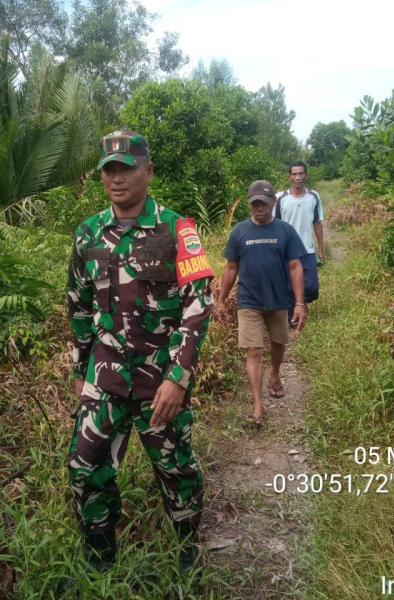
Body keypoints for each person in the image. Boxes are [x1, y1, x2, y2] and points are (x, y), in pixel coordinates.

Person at [66, 130, 214, 573]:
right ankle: (99, 550)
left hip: (160, 377)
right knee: (83, 464)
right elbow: (78, 302)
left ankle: (188, 541)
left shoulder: (177, 230)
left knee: (175, 467)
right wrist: (79, 366)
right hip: (105, 372)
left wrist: (178, 377)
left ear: (148, 170)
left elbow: (198, 305)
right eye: (109, 170)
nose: (117, 178)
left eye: (127, 168)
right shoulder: (88, 233)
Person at [213, 180, 307, 425]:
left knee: (278, 344)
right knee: (254, 351)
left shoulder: (285, 231)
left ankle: (274, 374)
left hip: (278, 301)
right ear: (249, 205)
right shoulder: (240, 231)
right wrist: (221, 301)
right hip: (249, 301)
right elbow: (231, 268)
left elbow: (296, 267)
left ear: (273, 203)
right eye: (255, 204)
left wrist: (299, 303)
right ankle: (257, 403)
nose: (260, 209)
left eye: (264, 204)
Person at [274, 161, 325, 325]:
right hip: (286, 251)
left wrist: (321, 249)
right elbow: (273, 224)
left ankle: (302, 304)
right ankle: (293, 320)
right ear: (289, 177)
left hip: (307, 250)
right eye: (294, 174)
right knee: (288, 287)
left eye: (301, 174)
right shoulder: (280, 198)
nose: (297, 177)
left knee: (311, 287)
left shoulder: (313, 196)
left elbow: (317, 223)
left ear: (306, 175)